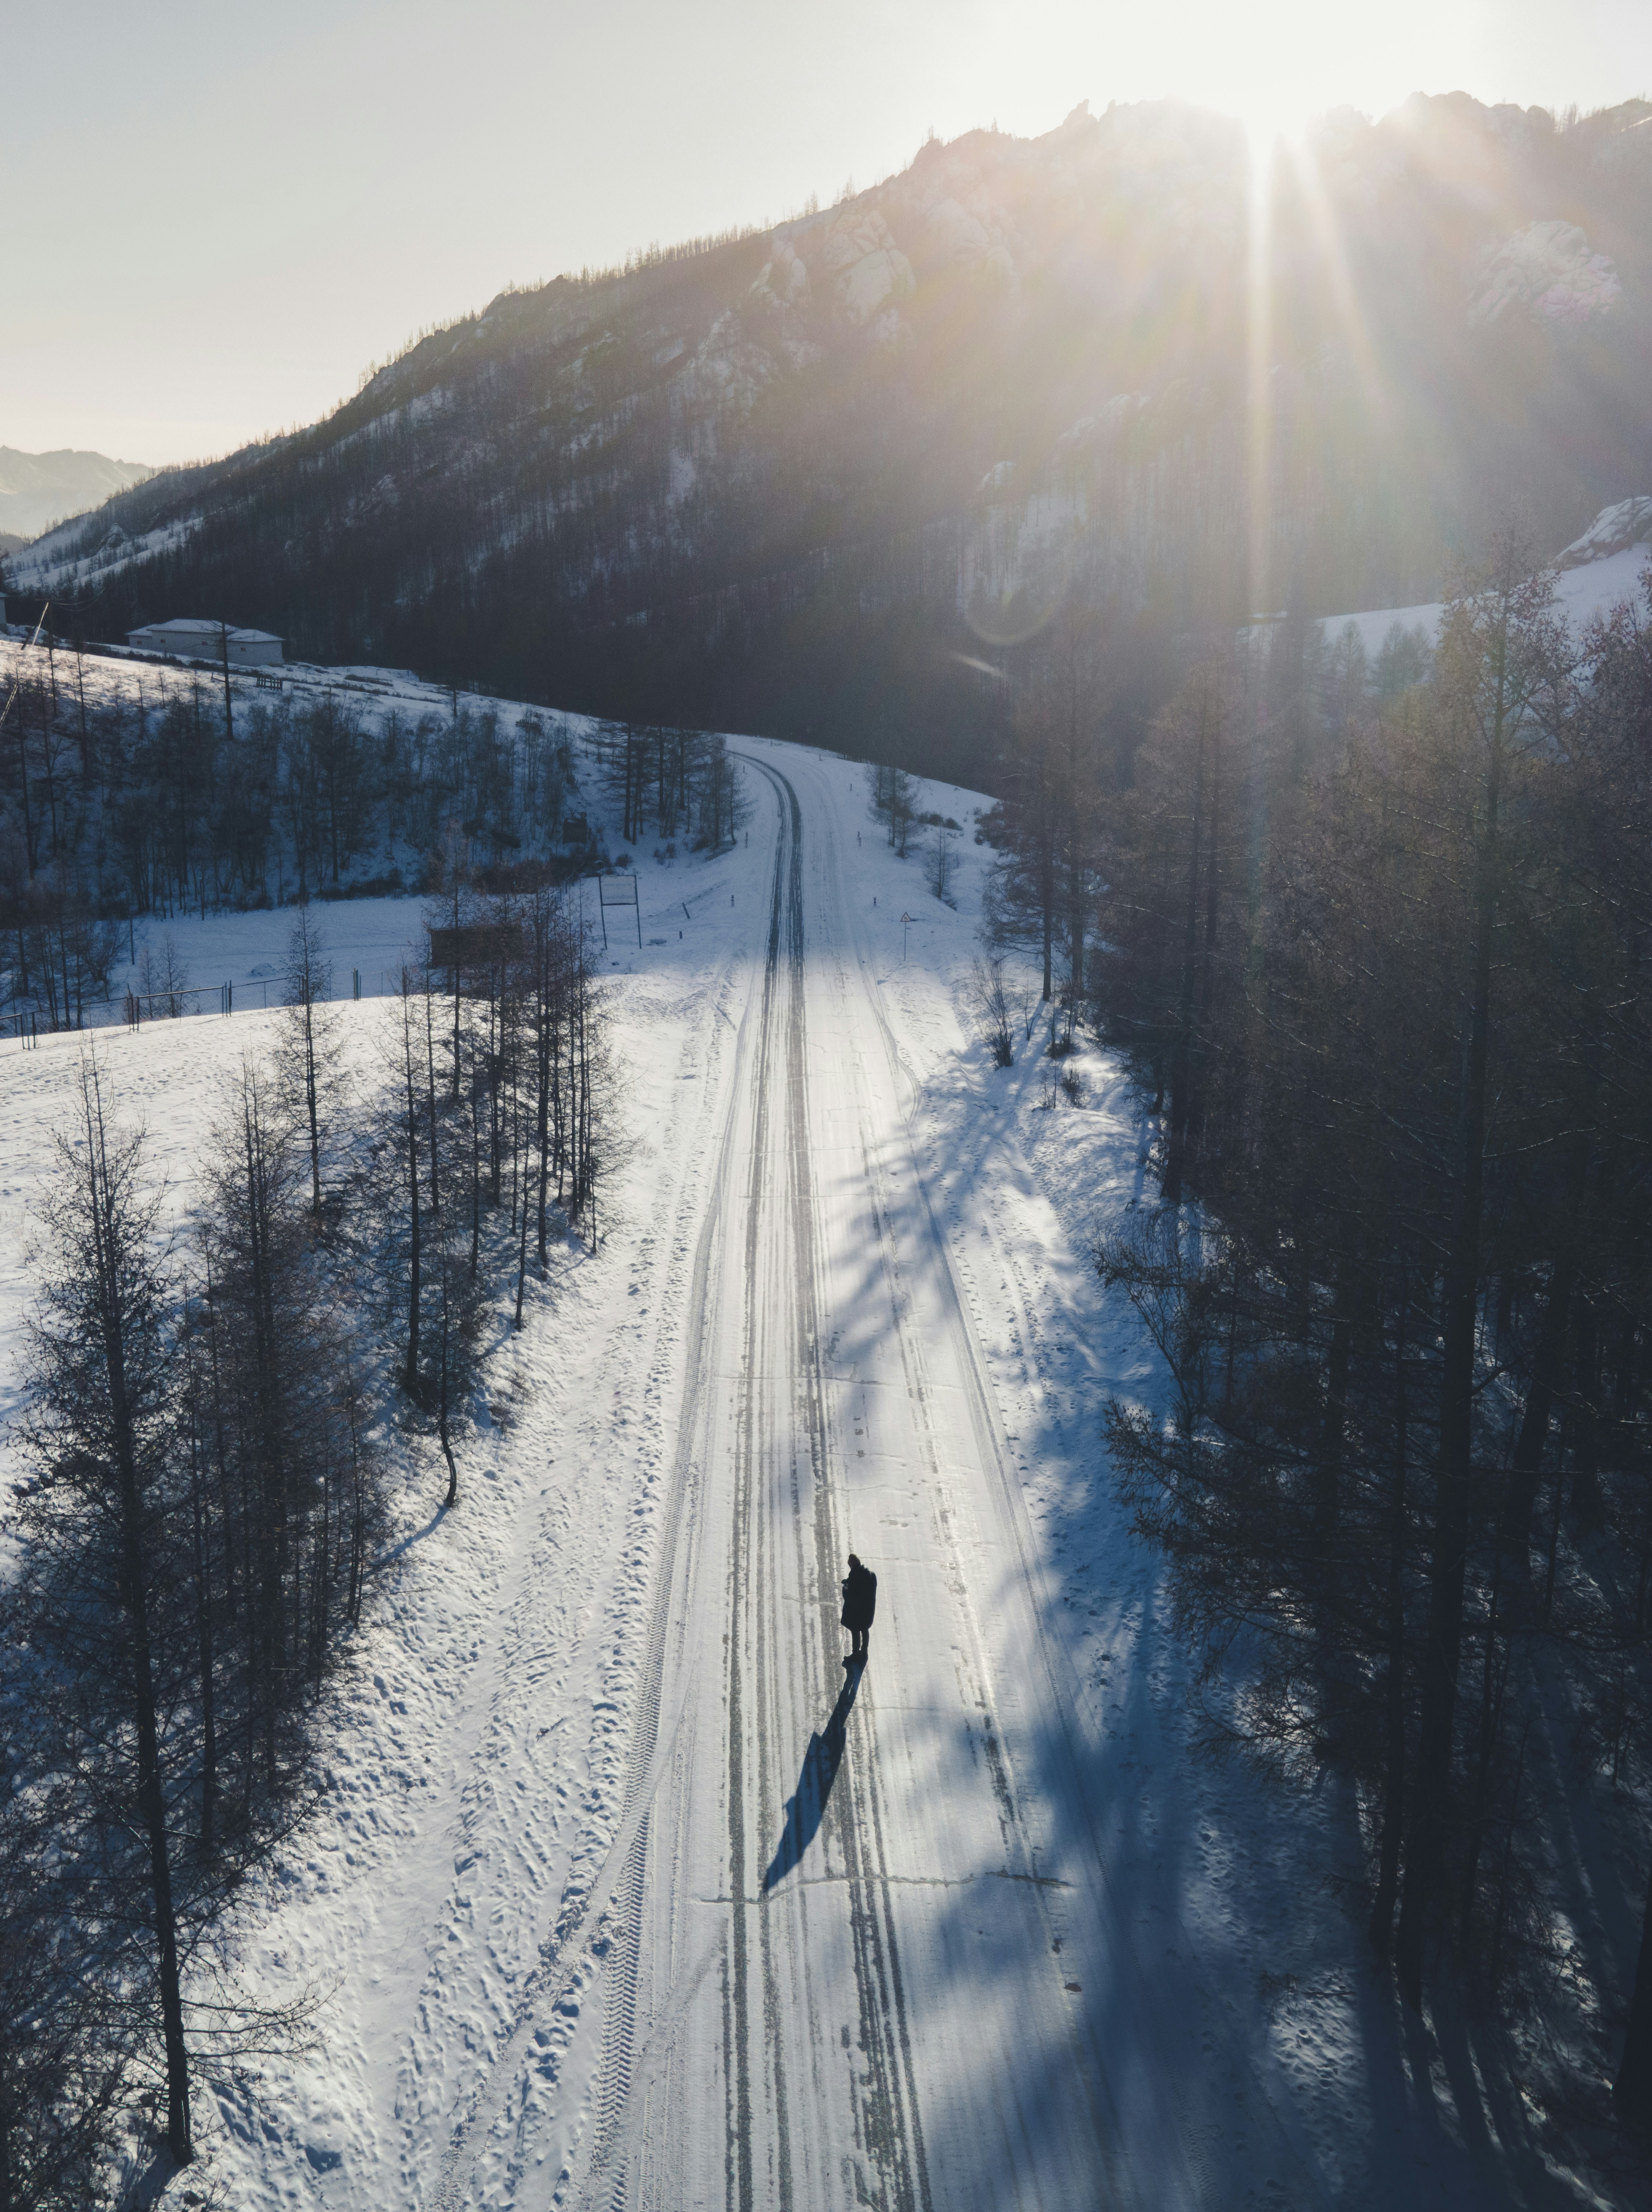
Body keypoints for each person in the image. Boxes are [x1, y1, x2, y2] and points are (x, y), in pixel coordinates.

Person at [841, 1553, 877, 1666]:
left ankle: (856, 1654)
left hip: (857, 1611)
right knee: (865, 1629)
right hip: (868, 1610)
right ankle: (864, 1652)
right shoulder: (871, 1575)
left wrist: (846, 1586)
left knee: (856, 1630)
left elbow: (850, 1594)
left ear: (852, 1565)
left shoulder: (854, 1578)